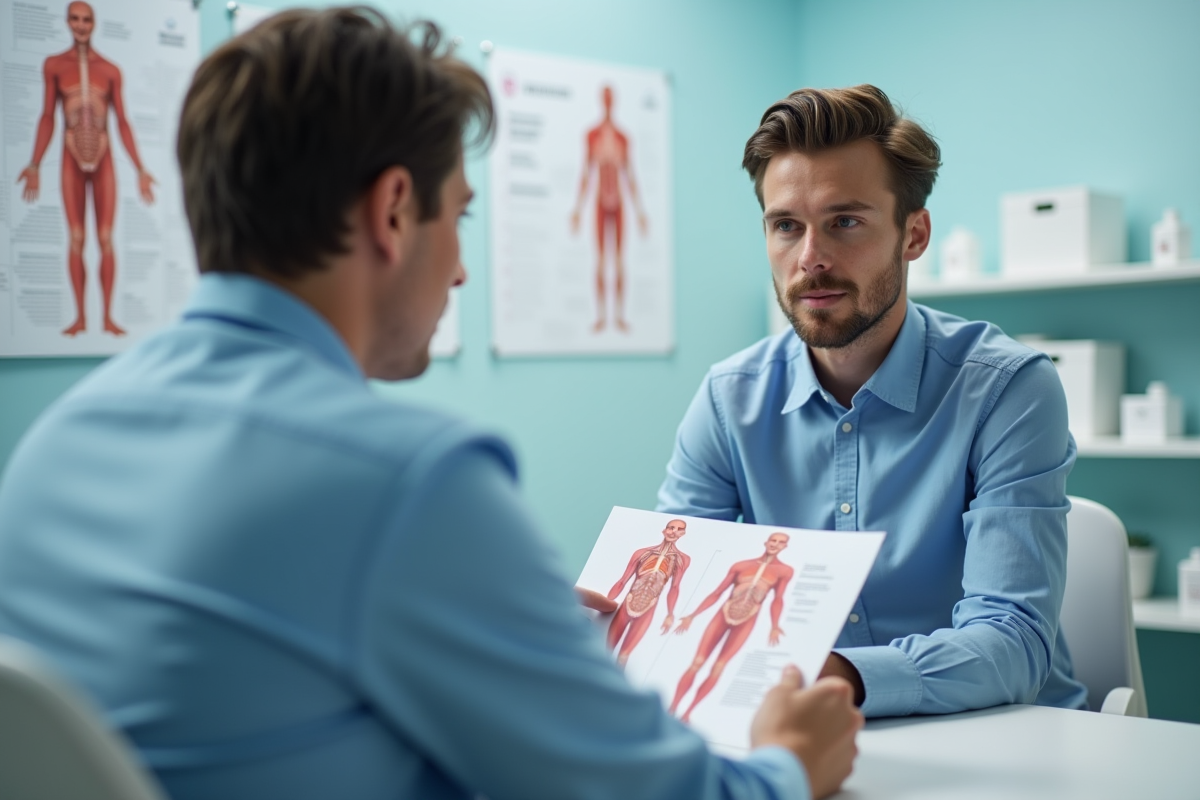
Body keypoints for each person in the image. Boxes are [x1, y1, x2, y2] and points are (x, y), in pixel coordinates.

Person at [0, 9, 861, 800]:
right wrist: (789, 763)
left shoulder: (54, 446)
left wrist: (495, 618)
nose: (459, 270)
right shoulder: (408, 483)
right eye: (459, 217)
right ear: (392, 212)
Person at [655, 84, 1088, 718]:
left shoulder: (1007, 388)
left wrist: (839, 676)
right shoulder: (729, 399)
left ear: (914, 234)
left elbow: (1013, 643)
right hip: (807, 730)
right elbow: (681, 595)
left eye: (845, 222)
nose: (811, 259)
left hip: (1003, 733)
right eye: (786, 226)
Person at [16, 1, 155, 337]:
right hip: (71, 157)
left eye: (86, 20)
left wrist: (140, 168)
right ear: (67, 22)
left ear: (94, 24)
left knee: (105, 238)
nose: (80, 25)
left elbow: (122, 121)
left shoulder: (110, 70)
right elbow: (48, 116)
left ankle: (106, 317)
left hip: (104, 158)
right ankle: (80, 317)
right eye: (75, 19)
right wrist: (35, 163)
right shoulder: (54, 65)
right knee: (77, 237)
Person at [670, 533, 794, 722]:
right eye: (773, 540)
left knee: (719, 666)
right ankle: (672, 708)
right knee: (697, 662)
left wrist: (775, 626)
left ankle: (687, 713)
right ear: (766, 542)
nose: (775, 544)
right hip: (722, 616)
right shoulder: (741, 565)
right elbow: (718, 592)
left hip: (747, 620)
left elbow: (778, 599)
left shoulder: (784, 571)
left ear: (785, 547)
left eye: (781, 542)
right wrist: (693, 616)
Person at [570, 84, 648, 332]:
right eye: (604, 97)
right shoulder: (591, 135)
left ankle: (620, 316)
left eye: (610, 97)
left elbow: (630, 176)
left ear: (613, 101)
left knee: (620, 261)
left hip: (619, 204)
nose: (607, 101)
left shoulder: (623, 138)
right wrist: (577, 209)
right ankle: (602, 316)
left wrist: (640, 211)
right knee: (602, 261)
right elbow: (586, 174)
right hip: (600, 203)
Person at [605, 518, 690, 665]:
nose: (674, 532)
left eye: (679, 529)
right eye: (671, 527)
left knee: (623, 657)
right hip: (627, 605)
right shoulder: (642, 553)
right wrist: (606, 603)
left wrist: (670, 614)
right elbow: (622, 581)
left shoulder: (682, 559)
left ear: (683, 534)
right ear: (664, 530)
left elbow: (675, 587)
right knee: (606, 651)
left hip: (648, 609)